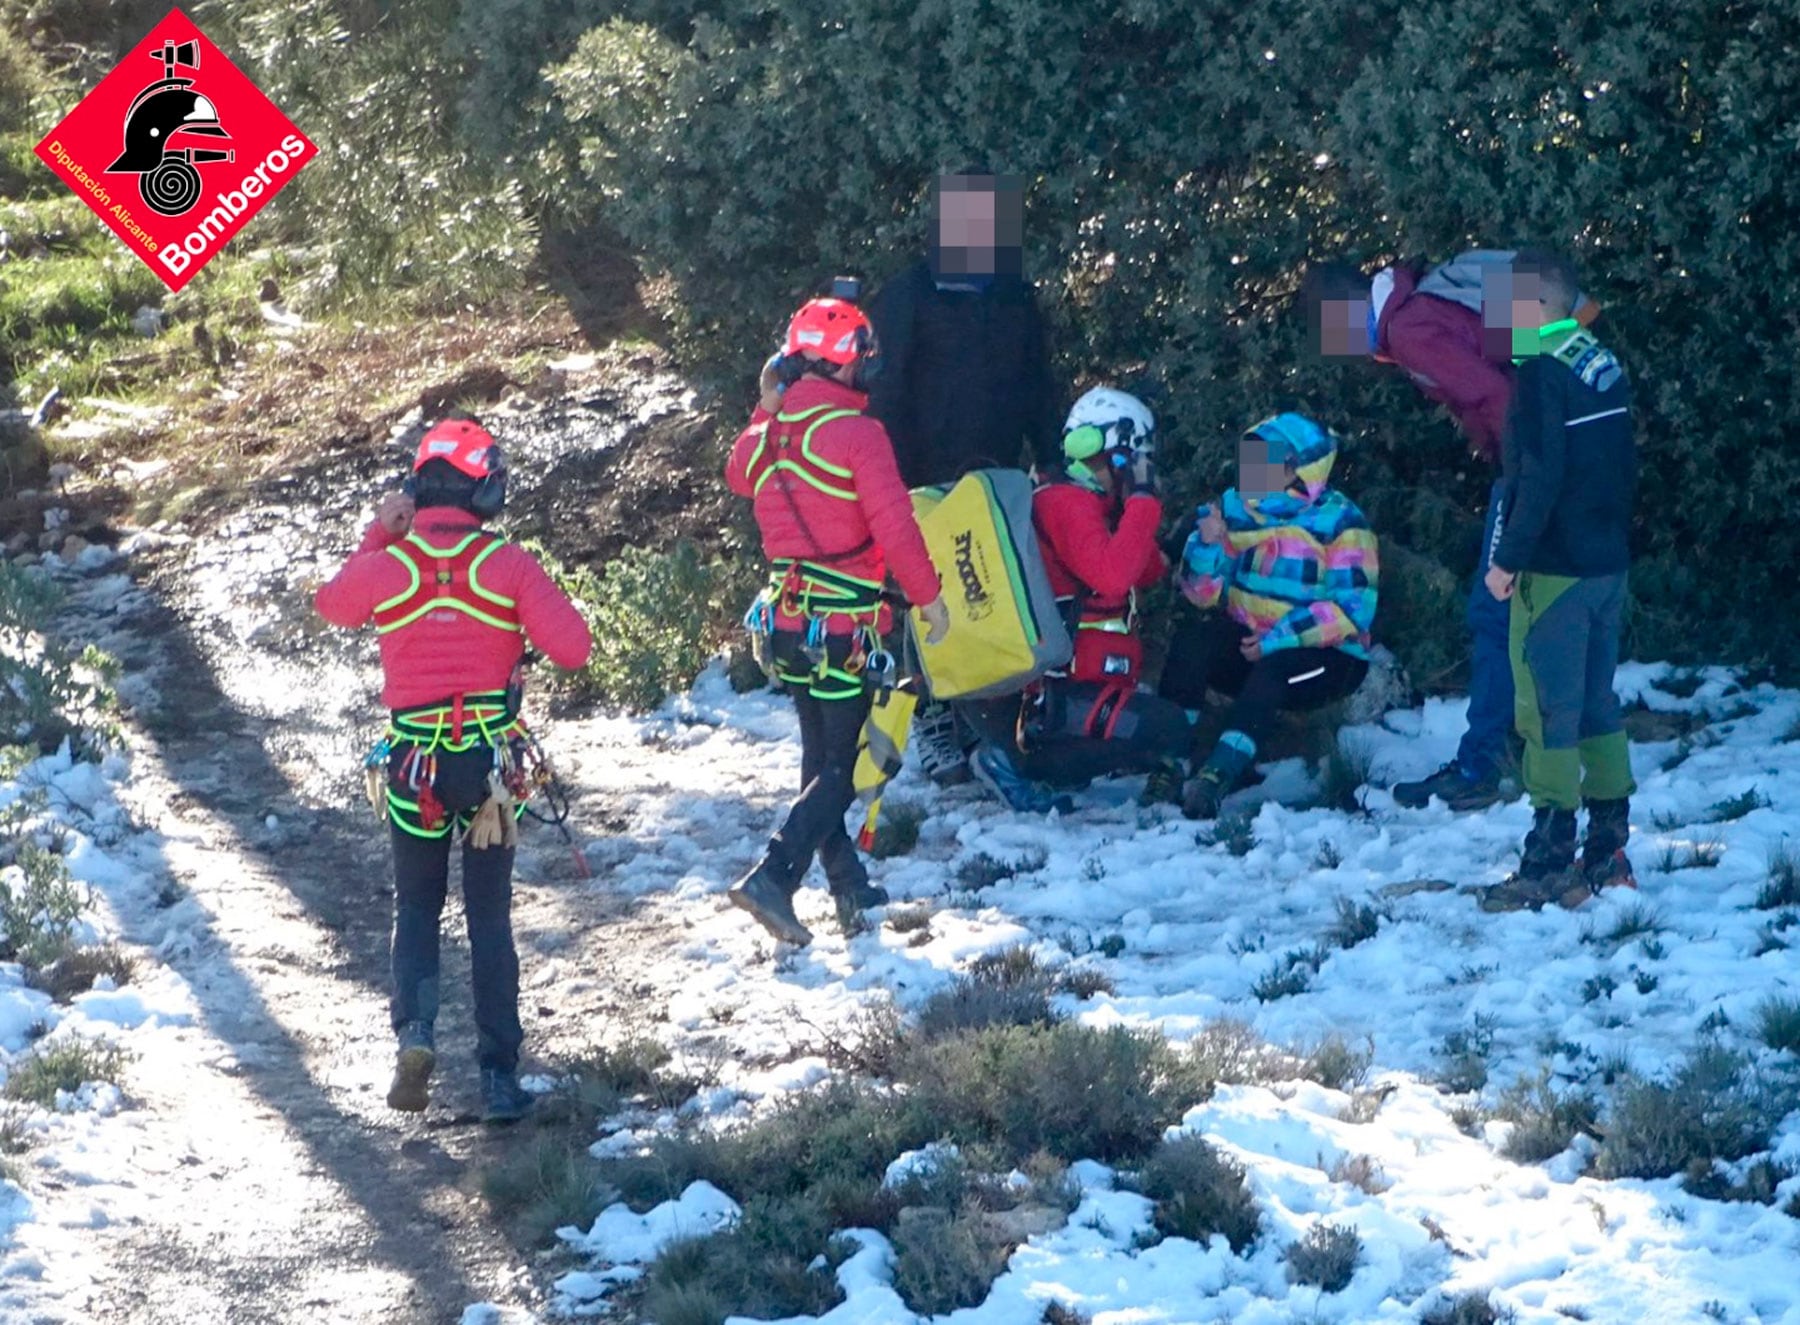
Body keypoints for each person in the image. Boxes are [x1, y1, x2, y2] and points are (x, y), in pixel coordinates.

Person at [315, 416, 593, 1121]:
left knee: (416, 906)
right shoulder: (508, 565)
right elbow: (574, 649)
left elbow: (332, 604)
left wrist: (380, 532)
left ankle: (416, 1032)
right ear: (484, 488)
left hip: (414, 767)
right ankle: (499, 1077)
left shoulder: (390, 565)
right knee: (489, 917)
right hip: (491, 770)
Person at [1303, 249, 1599, 812]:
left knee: (1493, 611)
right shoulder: (1415, 312)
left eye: (1329, 334)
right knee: (1540, 605)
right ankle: (1545, 745)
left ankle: (1480, 765)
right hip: (1560, 445)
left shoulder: (1411, 330)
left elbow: (1496, 396)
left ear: (1342, 313)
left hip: (1535, 461)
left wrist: (1518, 478)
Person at [726, 296, 950, 947]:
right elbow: (896, 527)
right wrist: (929, 597)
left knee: (820, 757)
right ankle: (773, 873)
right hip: (845, 630)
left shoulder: (770, 434)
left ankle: (847, 881)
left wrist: (766, 405)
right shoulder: (858, 435)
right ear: (849, 365)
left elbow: (738, 474)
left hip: (788, 625)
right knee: (844, 767)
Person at [865, 170, 1060, 787]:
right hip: (919, 475)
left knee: (988, 592)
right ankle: (929, 716)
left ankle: (988, 719)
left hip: (995, 472)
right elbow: (884, 389)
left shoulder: (1014, 296)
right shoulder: (906, 296)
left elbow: (1038, 381)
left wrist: (1050, 453)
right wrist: (886, 479)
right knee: (927, 596)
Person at [1474, 252, 1636, 911]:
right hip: (1607, 563)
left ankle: (1547, 858)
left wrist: (1507, 558)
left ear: (1536, 308)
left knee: (1544, 709)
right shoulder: (1598, 360)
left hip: (1555, 570)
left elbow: (1537, 476)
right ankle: (1610, 845)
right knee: (1598, 701)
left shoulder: (1541, 373)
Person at [966, 387, 1189, 810]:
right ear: (1118, 454)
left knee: (1152, 732)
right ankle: (1012, 762)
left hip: (1069, 687)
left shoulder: (1086, 503)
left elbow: (1144, 569)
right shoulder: (1066, 503)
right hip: (1050, 695)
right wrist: (1142, 501)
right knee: (1168, 729)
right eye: (1137, 457)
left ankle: (1032, 759)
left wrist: (1169, 538)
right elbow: (1113, 576)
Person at [1164, 413, 1379, 820]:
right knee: (1193, 642)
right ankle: (1168, 761)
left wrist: (1278, 637)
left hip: (1327, 658)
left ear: (1296, 469)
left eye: (1264, 460)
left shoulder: (1341, 520)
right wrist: (1207, 545)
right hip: (1251, 643)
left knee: (1275, 671)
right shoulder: (1232, 509)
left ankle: (1218, 775)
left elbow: (1354, 609)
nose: (1250, 469)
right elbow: (1203, 596)